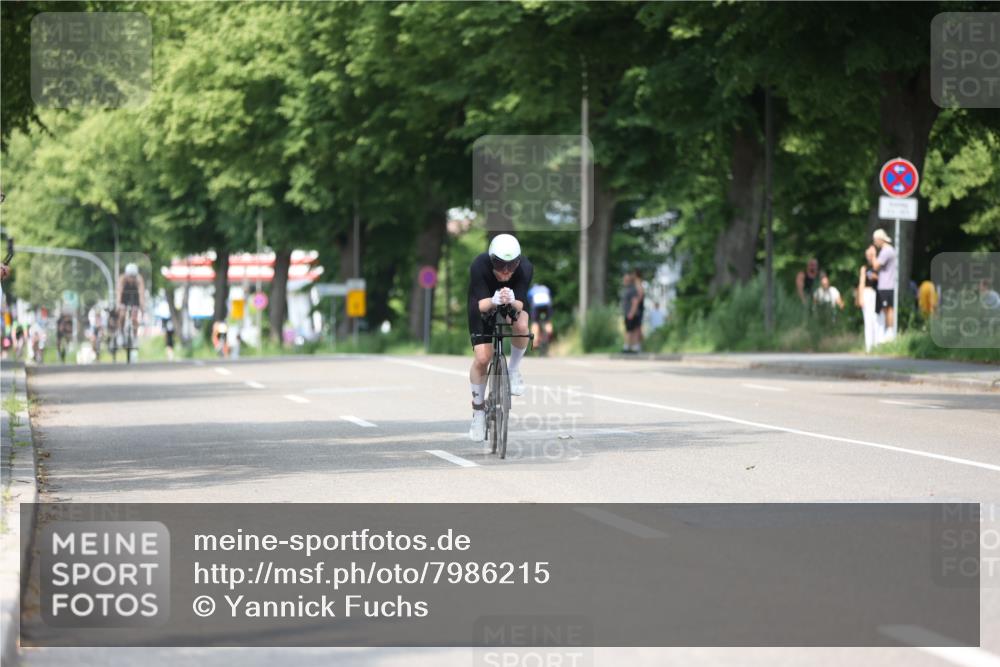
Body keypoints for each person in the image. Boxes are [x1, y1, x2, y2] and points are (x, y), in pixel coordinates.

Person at [467, 234, 533, 442]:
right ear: (490, 259)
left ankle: (513, 371)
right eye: (499, 265)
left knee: (522, 325)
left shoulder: (525, 268)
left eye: (511, 266)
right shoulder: (479, 265)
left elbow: (520, 305)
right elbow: (481, 306)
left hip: (510, 301)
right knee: (483, 358)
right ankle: (478, 412)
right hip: (484, 302)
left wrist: (512, 300)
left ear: (518, 262)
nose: (505, 271)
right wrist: (494, 299)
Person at [870, 229, 897, 340]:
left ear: (880, 239)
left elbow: (875, 266)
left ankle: (890, 332)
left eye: (875, 240)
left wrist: (873, 255)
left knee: (888, 309)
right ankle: (888, 331)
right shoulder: (888, 250)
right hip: (886, 284)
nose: (874, 243)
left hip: (887, 285)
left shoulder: (886, 251)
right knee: (886, 309)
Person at [116, 263, 146, 334]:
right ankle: (121, 331)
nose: (131, 279)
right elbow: (119, 293)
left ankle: (135, 335)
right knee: (122, 314)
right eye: (130, 277)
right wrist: (118, 305)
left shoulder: (139, 280)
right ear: (126, 275)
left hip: (135, 297)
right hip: (124, 297)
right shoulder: (122, 279)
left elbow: (141, 294)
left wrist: (142, 307)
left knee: (134, 317)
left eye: (133, 277)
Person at [622, 270, 644, 353]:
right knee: (634, 330)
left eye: (625, 280)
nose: (623, 281)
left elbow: (635, 301)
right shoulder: (629, 289)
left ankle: (629, 347)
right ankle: (633, 347)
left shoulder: (632, 289)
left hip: (631, 313)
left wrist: (632, 312)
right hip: (631, 312)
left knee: (631, 330)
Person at [527, 283, 553, 353]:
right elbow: (550, 296)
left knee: (535, 322)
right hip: (547, 304)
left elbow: (529, 302)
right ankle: (549, 332)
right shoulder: (545, 288)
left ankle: (535, 341)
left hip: (536, 305)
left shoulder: (531, 290)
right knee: (547, 321)